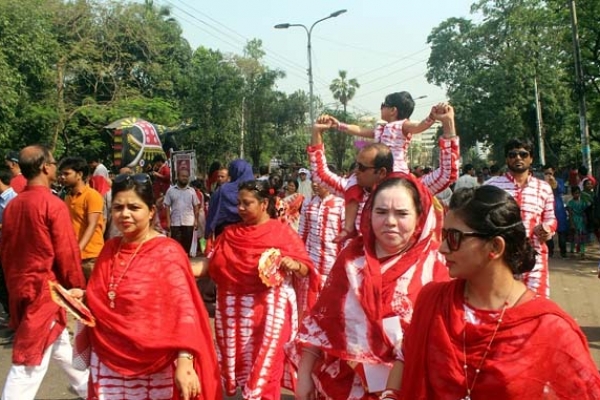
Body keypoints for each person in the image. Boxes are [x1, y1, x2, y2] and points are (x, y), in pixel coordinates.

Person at [399, 185, 600, 399]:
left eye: (455, 237)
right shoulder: (434, 303)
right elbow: (407, 361)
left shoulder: (549, 330)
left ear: (495, 247)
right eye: (444, 235)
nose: (443, 248)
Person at [294, 173, 450, 400]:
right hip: (343, 385)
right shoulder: (351, 259)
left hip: (410, 387)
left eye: (402, 213)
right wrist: (305, 375)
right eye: (381, 212)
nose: (390, 222)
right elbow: (322, 321)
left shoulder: (437, 264)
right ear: (368, 214)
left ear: (420, 216)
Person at [83, 172, 221, 400]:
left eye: (134, 208)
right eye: (118, 208)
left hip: (156, 364)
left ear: (151, 213)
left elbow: (184, 311)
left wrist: (185, 361)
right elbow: (102, 297)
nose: (124, 214)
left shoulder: (167, 252)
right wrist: (84, 296)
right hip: (108, 360)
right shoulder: (110, 249)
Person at [193, 179, 319, 399]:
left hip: (271, 315)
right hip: (235, 318)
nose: (240, 208)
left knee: (267, 371)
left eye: (247, 203)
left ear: (263, 205)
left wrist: (294, 264)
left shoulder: (281, 233)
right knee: (243, 369)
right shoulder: (230, 234)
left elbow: (305, 269)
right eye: (238, 203)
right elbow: (211, 264)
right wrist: (178, 265)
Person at [0, 145, 88, 400]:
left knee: (61, 349)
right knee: (28, 363)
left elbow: (6, 253)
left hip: (22, 290)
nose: (55, 167)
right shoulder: (52, 204)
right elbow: (67, 252)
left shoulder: (13, 206)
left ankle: (98, 393)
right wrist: (77, 286)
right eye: (53, 162)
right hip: (45, 293)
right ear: (44, 167)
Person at [309, 103, 458, 242]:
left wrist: (447, 123)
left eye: (361, 168)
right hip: (363, 265)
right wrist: (317, 133)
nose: (355, 172)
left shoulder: (409, 190)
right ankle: (349, 229)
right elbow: (320, 175)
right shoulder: (355, 187)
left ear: (381, 172)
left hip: (403, 267)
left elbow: (447, 174)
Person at [484, 139, 555, 298]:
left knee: (536, 304)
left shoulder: (543, 188)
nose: (518, 158)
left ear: (531, 158)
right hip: (501, 258)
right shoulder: (491, 187)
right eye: (513, 154)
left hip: (535, 256)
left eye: (523, 154)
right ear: (507, 159)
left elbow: (550, 218)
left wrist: (547, 229)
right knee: (503, 305)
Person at [296, 182, 344, 315]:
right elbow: (302, 233)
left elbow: (346, 239)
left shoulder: (341, 205)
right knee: (308, 308)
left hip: (332, 268)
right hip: (311, 267)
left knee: (329, 310)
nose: (315, 185)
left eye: (319, 182)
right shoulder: (308, 204)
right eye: (313, 181)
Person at [59, 157, 105, 281]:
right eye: (61, 174)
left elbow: (92, 225)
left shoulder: (92, 195)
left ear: (79, 174)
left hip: (91, 256)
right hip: (74, 256)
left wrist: (78, 249)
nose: (62, 177)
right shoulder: (68, 197)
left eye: (67, 174)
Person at [164, 169, 200, 254]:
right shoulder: (170, 191)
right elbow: (167, 206)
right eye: (183, 176)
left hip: (188, 223)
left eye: (186, 177)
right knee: (176, 247)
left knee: (186, 248)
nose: (185, 178)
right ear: (178, 177)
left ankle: (185, 264)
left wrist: (196, 221)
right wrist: (168, 222)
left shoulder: (191, 191)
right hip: (175, 223)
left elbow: (196, 206)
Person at [543, 165, 568, 258]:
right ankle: (550, 251)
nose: (548, 175)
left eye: (550, 173)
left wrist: (554, 183)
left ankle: (563, 251)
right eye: (546, 173)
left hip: (558, 207)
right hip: (546, 206)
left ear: (554, 172)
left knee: (561, 231)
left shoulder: (559, 180)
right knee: (547, 230)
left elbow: (562, 190)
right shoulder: (541, 182)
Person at [567, 186, 590, 259]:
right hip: (574, 220)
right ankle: (572, 251)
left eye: (578, 193)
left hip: (581, 221)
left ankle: (582, 252)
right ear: (572, 194)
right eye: (575, 193)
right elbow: (570, 214)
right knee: (573, 237)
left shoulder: (583, 202)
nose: (577, 195)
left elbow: (587, 207)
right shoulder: (570, 203)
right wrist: (571, 223)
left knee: (582, 237)